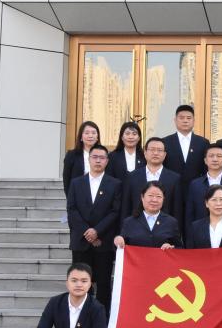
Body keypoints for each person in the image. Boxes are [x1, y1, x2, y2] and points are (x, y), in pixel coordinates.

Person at [65, 144, 120, 310]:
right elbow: (72, 209)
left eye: (102, 158)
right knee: (81, 281)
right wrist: (86, 232)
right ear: (88, 159)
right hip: (81, 242)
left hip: (104, 242)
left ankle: (102, 316)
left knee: (103, 283)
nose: (98, 161)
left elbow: (115, 211)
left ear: (107, 161)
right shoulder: (76, 183)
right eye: (94, 157)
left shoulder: (115, 184)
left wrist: (97, 231)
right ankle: (82, 314)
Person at [121, 137, 182, 225]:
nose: (155, 153)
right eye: (152, 149)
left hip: (164, 228)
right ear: (145, 153)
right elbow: (126, 207)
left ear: (165, 154)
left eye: (159, 150)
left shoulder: (174, 178)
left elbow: (177, 210)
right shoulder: (132, 177)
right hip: (136, 227)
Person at [184, 143, 222, 226]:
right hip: (200, 230)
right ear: (205, 160)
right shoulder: (195, 184)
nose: (215, 159)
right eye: (211, 156)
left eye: (219, 156)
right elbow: (190, 214)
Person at [114, 182, 183, 249]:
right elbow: (120, 247)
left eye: (159, 196)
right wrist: (118, 240)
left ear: (163, 199)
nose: (154, 200)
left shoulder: (171, 222)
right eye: (150, 195)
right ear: (142, 197)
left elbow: (180, 248)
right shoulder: (129, 222)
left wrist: (171, 247)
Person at [161, 104, 210, 199]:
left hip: (196, 191)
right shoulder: (165, 142)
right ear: (175, 120)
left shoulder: (203, 142)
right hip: (171, 191)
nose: (185, 121)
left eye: (188, 118)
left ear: (194, 121)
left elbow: (206, 169)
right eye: (181, 118)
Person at [186, 184, 222, 249]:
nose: (218, 203)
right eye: (214, 200)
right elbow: (190, 253)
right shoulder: (195, 227)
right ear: (206, 203)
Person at [62, 121, 100, 196]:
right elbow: (66, 180)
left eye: (93, 133)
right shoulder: (72, 155)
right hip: (79, 195)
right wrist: (70, 198)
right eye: (87, 133)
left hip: (99, 196)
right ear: (81, 137)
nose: (90, 136)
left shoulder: (104, 156)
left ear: (97, 137)